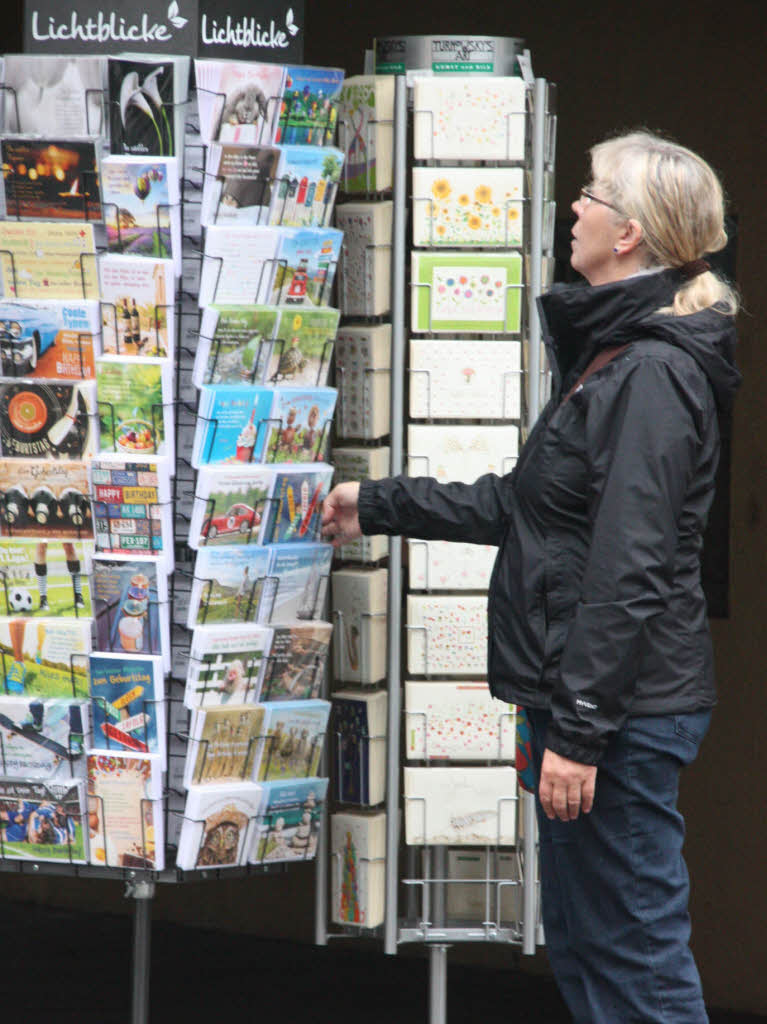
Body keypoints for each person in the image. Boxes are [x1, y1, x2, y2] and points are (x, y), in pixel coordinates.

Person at [321, 130, 740, 1023]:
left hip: (618, 714)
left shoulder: (652, 372)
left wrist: (582, 732)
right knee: (590, 951)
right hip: (584, 700)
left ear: (627, 234)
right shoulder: (609, 357)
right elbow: (526, 508)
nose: (575, 208)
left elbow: (632, 565)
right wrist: (375, 504)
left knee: (635, 956)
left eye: (590, 195)